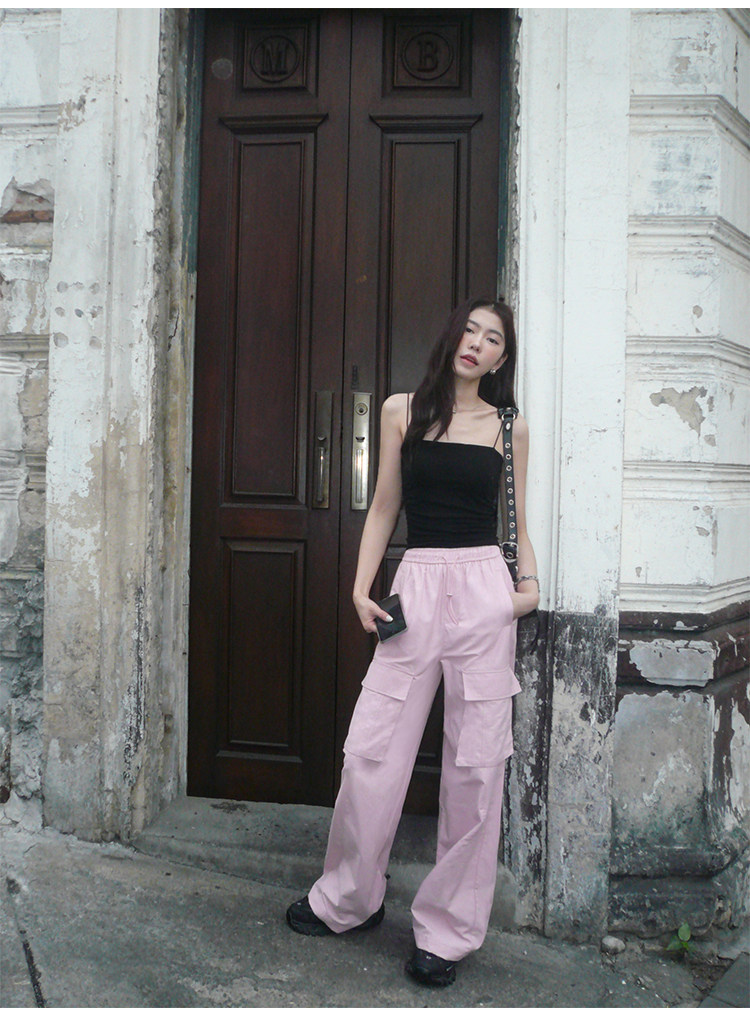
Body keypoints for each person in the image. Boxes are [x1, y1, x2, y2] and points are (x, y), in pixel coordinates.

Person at [286, 297, 540, 986]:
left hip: (484, 589)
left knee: (476, 766)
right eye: (471, 330)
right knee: (372, 750)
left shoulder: (509, 426)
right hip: (417, 583)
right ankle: (349, 897)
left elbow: (516, 519)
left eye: (494, 339)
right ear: (452, 334)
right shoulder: (403, 410)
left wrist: (526, 588)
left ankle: (447, 933)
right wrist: (360, 586)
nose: (478, 343)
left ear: (502, 357)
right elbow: (384, 507)